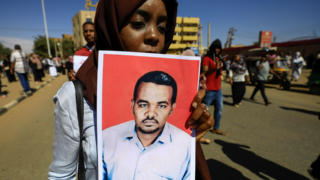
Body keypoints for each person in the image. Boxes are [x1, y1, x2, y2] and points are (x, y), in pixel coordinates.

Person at [48, 0, 213, 180]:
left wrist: (189, 135)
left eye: (162, 28)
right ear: (111, 26)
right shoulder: (74, 97)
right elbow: (61, 175)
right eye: (138, 24)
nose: (153, 36)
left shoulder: (176, 91)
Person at [102, 71, 191, 179]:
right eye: (143, 105)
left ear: (172, 108)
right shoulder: (107, 138)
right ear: (133, 105)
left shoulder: (187, 146)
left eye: (161, 106)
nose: (150, 114)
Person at [201, 39, 225, 136]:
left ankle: (216, 128)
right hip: (209, 89)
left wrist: (220, 71)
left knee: (219, 109)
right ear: (212, 48)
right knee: (204, 110)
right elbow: (205, 72)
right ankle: (200, 128)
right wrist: (215, 68)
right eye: (215, 48)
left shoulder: (219, 58)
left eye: (219, 48)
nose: (217, 50)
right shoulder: (207, 59)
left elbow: (220, 72)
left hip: (218, 89)